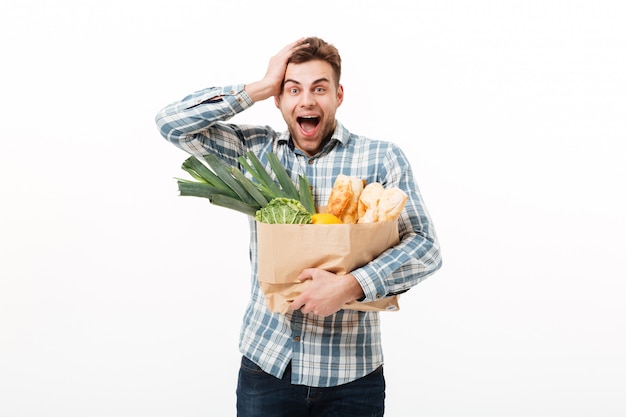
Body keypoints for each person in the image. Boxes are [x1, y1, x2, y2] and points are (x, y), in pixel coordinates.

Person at [155, 37, 442, 417]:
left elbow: (425, 246)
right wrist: (258, 87)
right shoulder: (254, 151)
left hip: (352, 375)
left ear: (339, 95)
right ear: (279, 99)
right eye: (293, 89)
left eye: (319, 88)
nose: (306, 101)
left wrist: (350, 286)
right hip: (266, 366)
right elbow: (172, 123)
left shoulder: (380, 158)